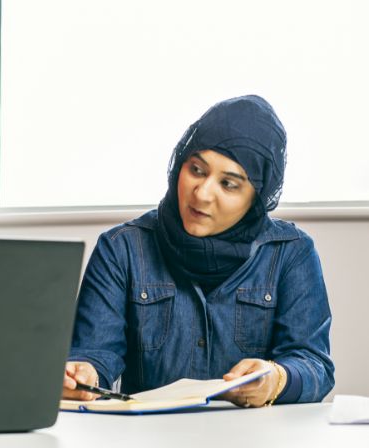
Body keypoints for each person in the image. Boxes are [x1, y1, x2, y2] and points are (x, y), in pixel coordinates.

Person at [62, 95, 334, 407]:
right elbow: (94, 353)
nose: (202, 194)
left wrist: (276, 378)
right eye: (196, 169)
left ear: (256, 198)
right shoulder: (121, 248)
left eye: (229, 184)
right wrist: (83, 375)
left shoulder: (291, 253)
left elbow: (315, 366)